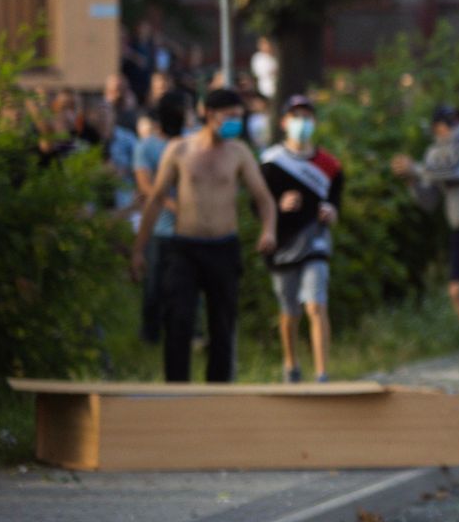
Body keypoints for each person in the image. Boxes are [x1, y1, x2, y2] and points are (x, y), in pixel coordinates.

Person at [131, 87, 278, 382]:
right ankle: (177, 391)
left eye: (240, 116)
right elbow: (156, 199)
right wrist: (139, 249)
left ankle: (219, 392)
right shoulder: (180, 150)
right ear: (210, 115)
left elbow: (264, 198)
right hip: (185, 247)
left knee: (222, 325)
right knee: (178, 321)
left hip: (223, 247)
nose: (236, 122)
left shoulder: (239, 153)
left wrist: (269, 230)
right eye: (230, 116)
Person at [394, 105, 459, 363]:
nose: (452, 127)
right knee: (458, 292)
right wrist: (412, 181)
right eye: (446, 122)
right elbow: (429, 202)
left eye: (455, 120)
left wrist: (418, 170)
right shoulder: (433, 154)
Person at [260, 96, 343, 383]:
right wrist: (278, 205)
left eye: (307, 116)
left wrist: (332, 211)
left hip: (316, 240)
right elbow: (256, 204)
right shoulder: (271, 162)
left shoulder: (330, 165)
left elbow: (336, 203)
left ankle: (322, 373)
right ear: (284, 122)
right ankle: (291, 364)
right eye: (296, 116)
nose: (302, 123)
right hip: (282, 244)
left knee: (316, 304)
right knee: (290, 311)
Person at [134, 90, 189, 345]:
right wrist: (173, 205)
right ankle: (150, 335)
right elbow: (146, 187)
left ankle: (188, 333)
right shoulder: (147, 147)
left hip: (190, 230)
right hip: (160, 228)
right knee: (154, 286)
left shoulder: (192, 143)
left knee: (187, 291)